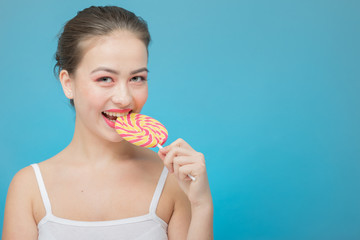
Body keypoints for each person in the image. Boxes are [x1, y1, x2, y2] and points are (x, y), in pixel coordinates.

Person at [2, 6, 213, 240]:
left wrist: (201, 205)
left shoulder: (173, 179)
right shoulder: (29, 188)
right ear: (67, 83)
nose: (124, 98)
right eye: (105, 78)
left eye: (136, 78)